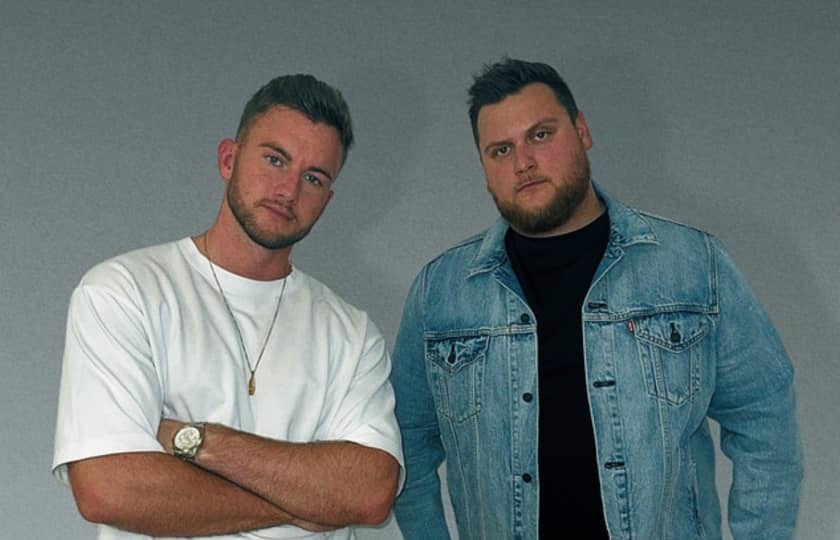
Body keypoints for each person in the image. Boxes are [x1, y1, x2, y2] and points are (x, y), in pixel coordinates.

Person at [391, 58, 803, 539]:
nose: (523, 162)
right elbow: (407, 446)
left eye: (540, 135)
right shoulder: (440, 292)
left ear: (582, 130)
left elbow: (763, 419)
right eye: (501, 150)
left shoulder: (693, 265)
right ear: (484, 168)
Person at [53, 74, 403, 540]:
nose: (288, 190)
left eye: (313, 178)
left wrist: (195, 441)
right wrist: (306, 500)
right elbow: (108, 490)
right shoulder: (124, 292)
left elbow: (370, 493)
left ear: (328, 199)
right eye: (274, 159)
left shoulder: (352, 334)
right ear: (228, 159)